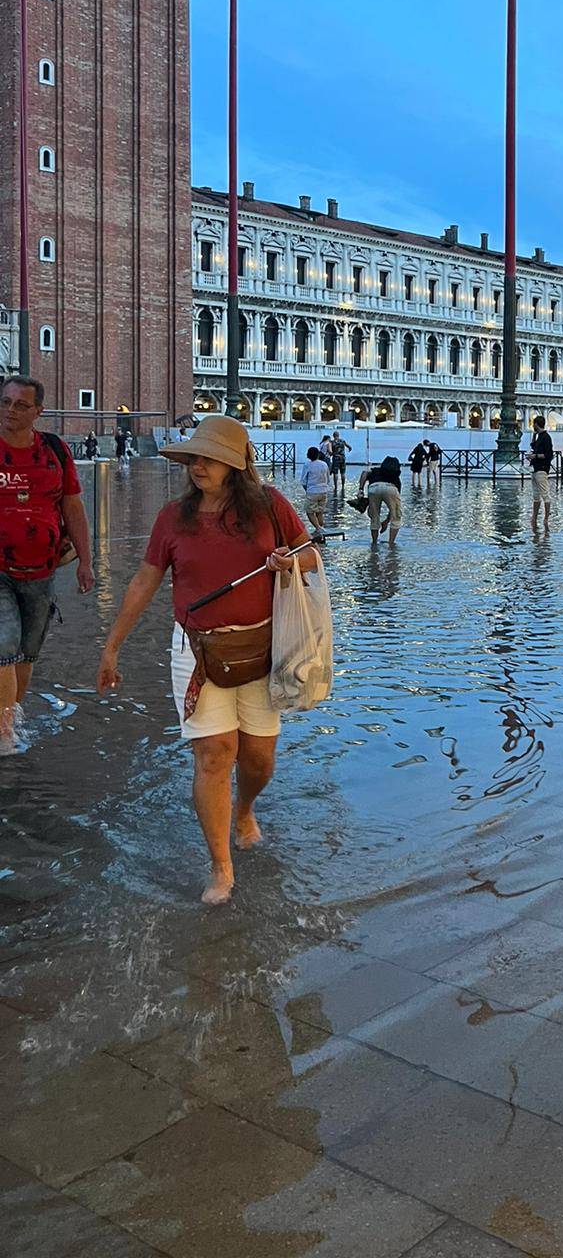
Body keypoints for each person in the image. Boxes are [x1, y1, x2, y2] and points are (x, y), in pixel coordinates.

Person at [97, 416, 316, 905]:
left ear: (235, 465)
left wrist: (288, 560)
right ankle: (221, 866)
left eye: (209, 458)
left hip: (263, 649)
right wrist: (112, 646)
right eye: (193, 458)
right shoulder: (173, 518)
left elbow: (312, 559)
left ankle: (245, 810)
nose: (198, 466)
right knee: (215, 754)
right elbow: (143, 582)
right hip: (196, 651)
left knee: (258, 758)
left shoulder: (272, 507)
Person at [0, 377, 94, 753]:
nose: (10, 410)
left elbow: (72, 505)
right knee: (4, 648)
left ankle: (13, 716)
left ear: (38, 411)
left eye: (20, 405)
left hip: (41, 571)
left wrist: (86, 560)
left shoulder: (54, 450)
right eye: (5, 402)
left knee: (26, 653)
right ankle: (5, 735)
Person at [359, 454, 403, 544]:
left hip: (373, 487)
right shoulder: (396, 478)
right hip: (391, 488)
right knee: (396, 517)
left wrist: (361, 490)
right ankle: (391, 544)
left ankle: (374, 542)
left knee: (374, 517)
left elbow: (364, 473)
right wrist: (386, 521)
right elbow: (393, 510)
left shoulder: (376, 471)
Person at [529, 415, 553, 531]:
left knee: (545, 494)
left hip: (542, 469)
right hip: (534, 468)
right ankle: (534, 517)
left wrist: (535, 456)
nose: (532, 426)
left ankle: (546, 518)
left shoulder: (546, 437)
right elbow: (533, 446)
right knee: (536, 495)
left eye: (533, 424)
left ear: (536, 424)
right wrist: (534, 435)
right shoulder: (539, 437)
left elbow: (549, 455)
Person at [300, 445, 331, 536]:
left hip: (312, 491)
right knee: (320, 512)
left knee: (309, 512)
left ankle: (318, 529)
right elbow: (328, 479)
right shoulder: (324, 464)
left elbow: (303, 481)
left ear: (308, 455)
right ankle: (320, 530)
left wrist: (307, 490)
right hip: (324, 491)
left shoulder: (307, 465)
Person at [328, 432, 350, 496]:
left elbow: (330, 451)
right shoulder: (342, 441)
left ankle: (336, 487)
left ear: (333, 436)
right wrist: (348, 449)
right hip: (343, 458)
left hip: (336, 458)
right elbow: (349, 447)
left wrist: (331, 454)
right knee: (343, 473)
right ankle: (343, 486)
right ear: (338, 435)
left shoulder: (331, 442)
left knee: (335, 473)